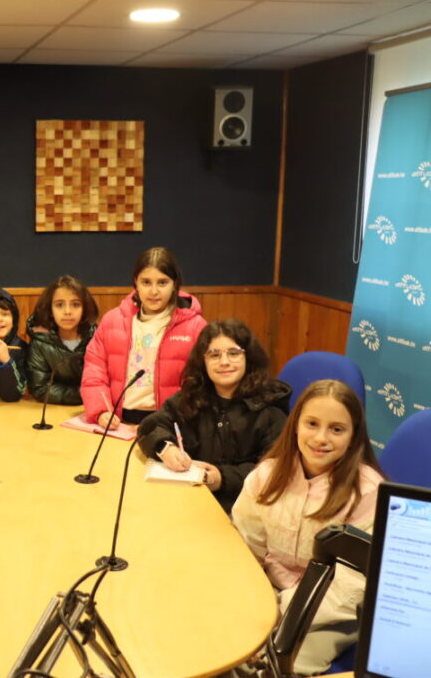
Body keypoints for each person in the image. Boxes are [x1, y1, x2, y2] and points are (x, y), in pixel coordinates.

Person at [231, 379, 384, 676]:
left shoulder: (367, 492)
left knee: (273, 668)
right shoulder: (267, 475)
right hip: (268, 594)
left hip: (330, 611)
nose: (320, 438)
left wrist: (282, 613)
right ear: (295, 426)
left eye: (336, 429)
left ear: (353, 437)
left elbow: (353, 584)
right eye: (312, 424)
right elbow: (246, 546)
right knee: (224, 646)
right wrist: (258, 603)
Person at [136, 319, 291, 512]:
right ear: (203, 361)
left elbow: (274, 471)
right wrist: (165, 447)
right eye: (214, 355)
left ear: (248, 358)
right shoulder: (194, 395)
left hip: (243, 509)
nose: (224, 362)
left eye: (233, 353)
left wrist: (221, 478)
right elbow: (150, 426)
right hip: (192, 499)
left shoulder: (269, 409)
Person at [81, 247, 206, 427]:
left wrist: (178, 419)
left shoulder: (195, 327)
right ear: (136, 283)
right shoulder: (112, 321)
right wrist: (101, 410)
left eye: (162, 282)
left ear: (175, 284)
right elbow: (94, 370)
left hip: (171, 424)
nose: (153, 291)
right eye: (146, 282)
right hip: (118, 423)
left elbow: (200, 382)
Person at [26, 275, 98, 405]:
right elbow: (40, 389)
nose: (67, 311)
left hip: (95, 408)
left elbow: (104, 382)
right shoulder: (40, 342)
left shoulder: (97, 338)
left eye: (75, 304)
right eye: (59, 305)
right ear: (50, 310)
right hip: (52, 409)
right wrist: (84, 394)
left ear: (84, 308)